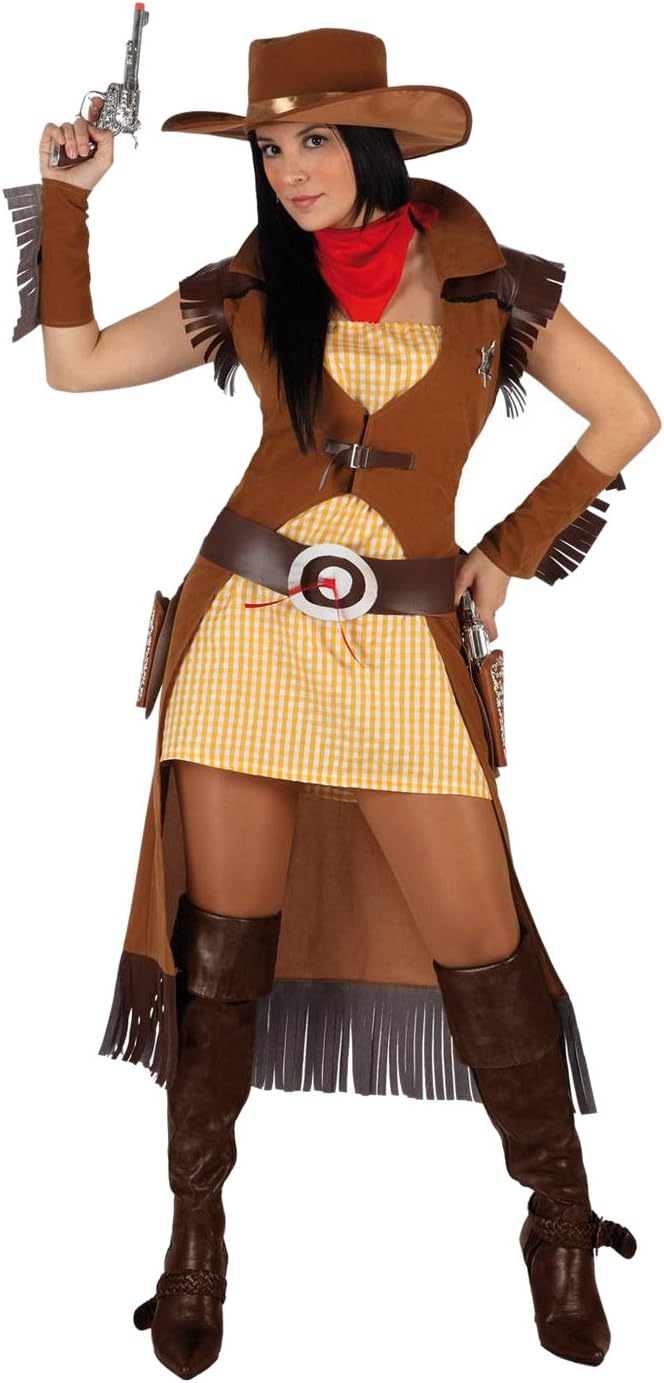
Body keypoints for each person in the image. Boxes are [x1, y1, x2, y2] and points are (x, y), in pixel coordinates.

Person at [4, 25, 656, 1380]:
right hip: (244, 635)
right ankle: (193, 1245)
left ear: (375, 144)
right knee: (221, 954)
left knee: (482, 941)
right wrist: (67, 202)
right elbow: (75, 365)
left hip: (404, 646)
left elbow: (628, 414)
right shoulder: (254, 284)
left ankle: (555, 1221)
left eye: (312, 140)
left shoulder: (488, 285)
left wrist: (510, 554)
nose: (288, 169)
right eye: (267, 148)